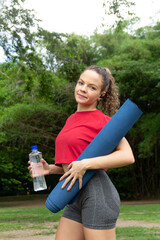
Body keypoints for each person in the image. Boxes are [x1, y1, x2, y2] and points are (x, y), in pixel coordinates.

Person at [28, 65, 135, 240]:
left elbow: (127, 156)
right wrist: (51, 170)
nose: (83, 89)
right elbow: (74, 164)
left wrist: (85, 164)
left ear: (102, 94)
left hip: (97, 195)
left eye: (92, 87)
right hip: (74, 196)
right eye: (81, 83)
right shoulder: (71, 119)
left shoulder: (104, 121)